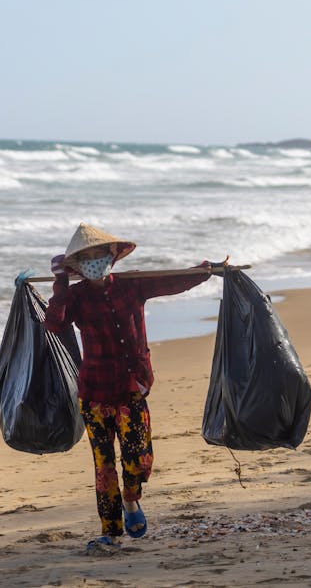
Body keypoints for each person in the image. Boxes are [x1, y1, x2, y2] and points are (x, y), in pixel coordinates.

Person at [43, 223, 213, 554]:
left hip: (132, 387)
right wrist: (60, 283)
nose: (94, 261)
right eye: (86, 258)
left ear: (111, 257)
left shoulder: (131, 286)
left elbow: (171, 282)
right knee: (103, 466)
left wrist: (204, 272)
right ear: (77, 266)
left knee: (139, 459)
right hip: (94, 394)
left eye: (99, 255)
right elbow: (54, 323)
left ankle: (131, 499)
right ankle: (110, 530)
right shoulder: (75, 297)